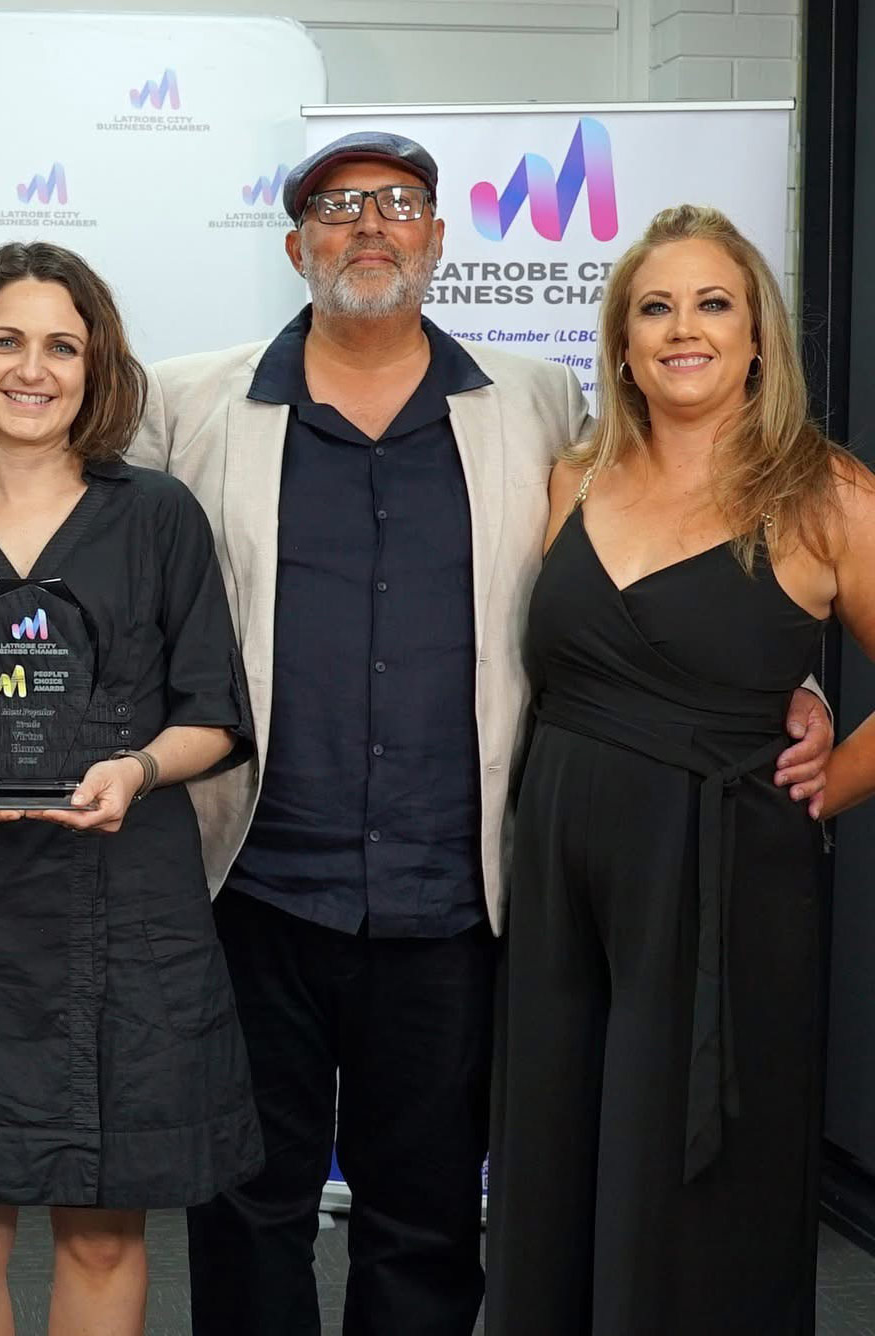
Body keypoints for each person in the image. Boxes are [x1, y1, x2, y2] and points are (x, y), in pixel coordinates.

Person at [125, 134, 833, 1336]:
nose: (369, 227)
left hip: (456, 896)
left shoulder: (534, 401)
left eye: (397, 204)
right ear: (295, 245)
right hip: (251, 885)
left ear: (437, 239)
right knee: (245, 1210)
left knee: (429, 1220)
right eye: (337, 208)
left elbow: (654, 574)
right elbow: (110, 578)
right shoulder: (188, 402)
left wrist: (791, 673)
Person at [486, 205, 875, 1335]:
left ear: (759, 337)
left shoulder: (824, 491)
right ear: (619, 342)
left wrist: (833, 777)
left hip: (723, 888)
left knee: (696, 1181)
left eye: (713, 303)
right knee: (556, 1158)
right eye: (654, 307)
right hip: (561, 881)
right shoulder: (569, 480)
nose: (682, 329)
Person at [0, 241, 261, 1336]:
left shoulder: (158, 518)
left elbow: (216, 715)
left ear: (95, 371)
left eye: (60, 345)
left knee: (98, 1233)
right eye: (6, 341)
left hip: (128, 917)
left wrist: (136, 767)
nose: (31, 368)